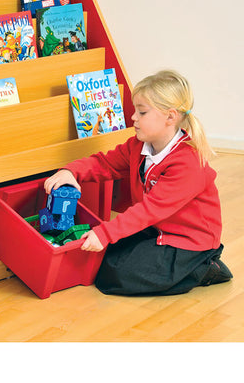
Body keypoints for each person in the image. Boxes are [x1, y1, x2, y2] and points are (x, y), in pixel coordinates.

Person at [44, 70, 233, 296]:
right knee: (103, 258)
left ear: (170, 117)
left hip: (188, 241)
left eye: (142, 112)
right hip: (155, 229)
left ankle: (204, 268)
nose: (133, 117)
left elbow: (149, 210)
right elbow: (106, 163)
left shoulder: (187, 163)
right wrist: (71, 171)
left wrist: (105, 233)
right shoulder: (139, 145)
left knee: (114, 277)